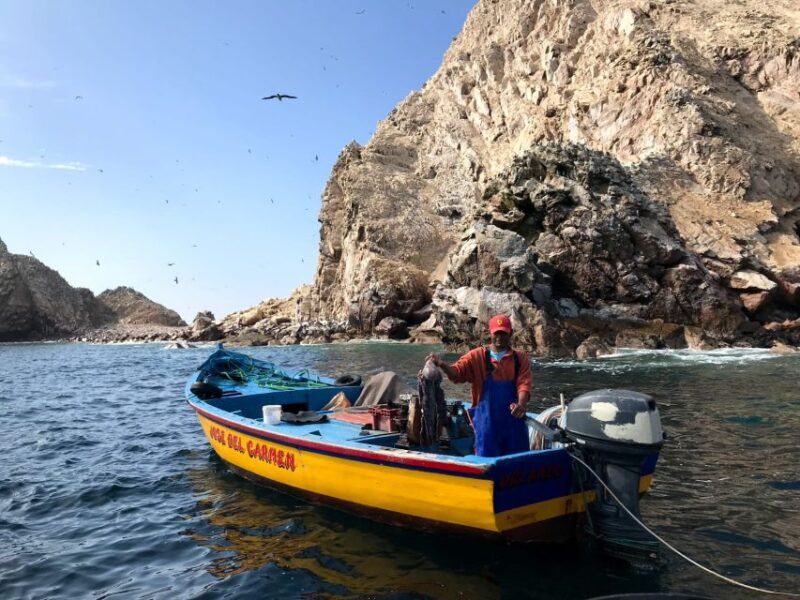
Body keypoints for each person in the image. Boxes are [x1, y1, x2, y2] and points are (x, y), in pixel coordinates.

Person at [426, 314, 532, 457]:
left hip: (514, 424)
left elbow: (524, 384)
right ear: (490, 333)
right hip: (487, 426)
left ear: (511, 333)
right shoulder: (476, 356)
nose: (499, 337)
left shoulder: (520, 358)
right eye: (496, 333)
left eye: (503, 333)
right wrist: (441, 364)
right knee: (486, 462)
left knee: (520, 462)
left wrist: (521, 404)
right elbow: (456, 373)